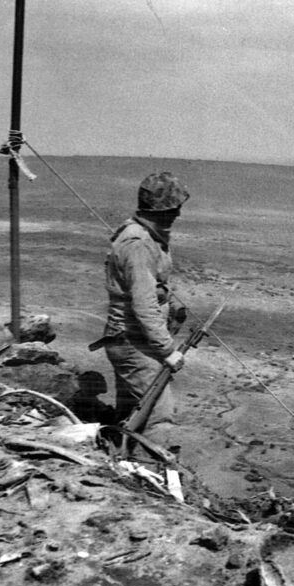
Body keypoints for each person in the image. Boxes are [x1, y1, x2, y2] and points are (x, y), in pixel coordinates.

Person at [100, 171, 190, 451]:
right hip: (132, 343)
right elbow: (143, 304)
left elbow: (154, 285)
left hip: (132, 340)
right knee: (158, 416)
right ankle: (155, 482)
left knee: (131, 415)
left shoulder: (147, 237)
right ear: (164, 210)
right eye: (174, 209)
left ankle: (121, 466)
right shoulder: (138, 244)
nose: (177, 215)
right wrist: (167, 351)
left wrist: (173, 304)